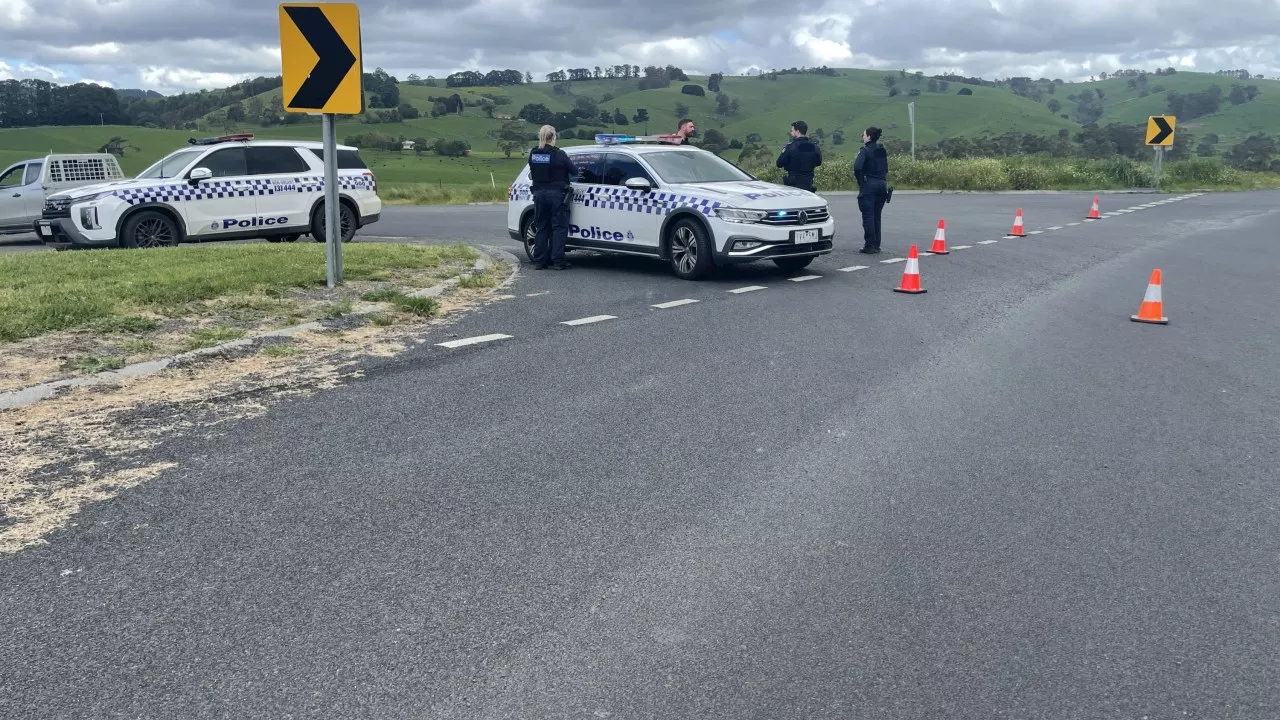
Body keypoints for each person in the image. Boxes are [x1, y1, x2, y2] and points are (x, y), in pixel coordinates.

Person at [527, 124, 576, 270]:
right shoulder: (559, 154)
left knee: (541, 227)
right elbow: (573, 170)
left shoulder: (534, 154)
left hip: (539, 195)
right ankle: (558, 262)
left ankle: (539, 261)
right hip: (557, 196)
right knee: (559, 228)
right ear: (553, 137)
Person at [853, 126, 891, 254]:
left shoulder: (865, 150)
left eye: (864, 135)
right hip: (882, 183)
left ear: (868, 137)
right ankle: (876, 245)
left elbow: (857, 167)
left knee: (868, 216)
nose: (863, 137)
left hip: (869, 184)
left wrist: (861, 182)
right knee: (876, 216)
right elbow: (886, 168)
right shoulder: (881, 150)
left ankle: (869, 245)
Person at [775, 120, 822, 191]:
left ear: (797, 132)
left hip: (793, 186)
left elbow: (779, 163)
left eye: (792, 130)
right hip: (808, 184)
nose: (791, 132)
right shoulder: (814, 147)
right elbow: (818, 162)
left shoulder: (790, 147)